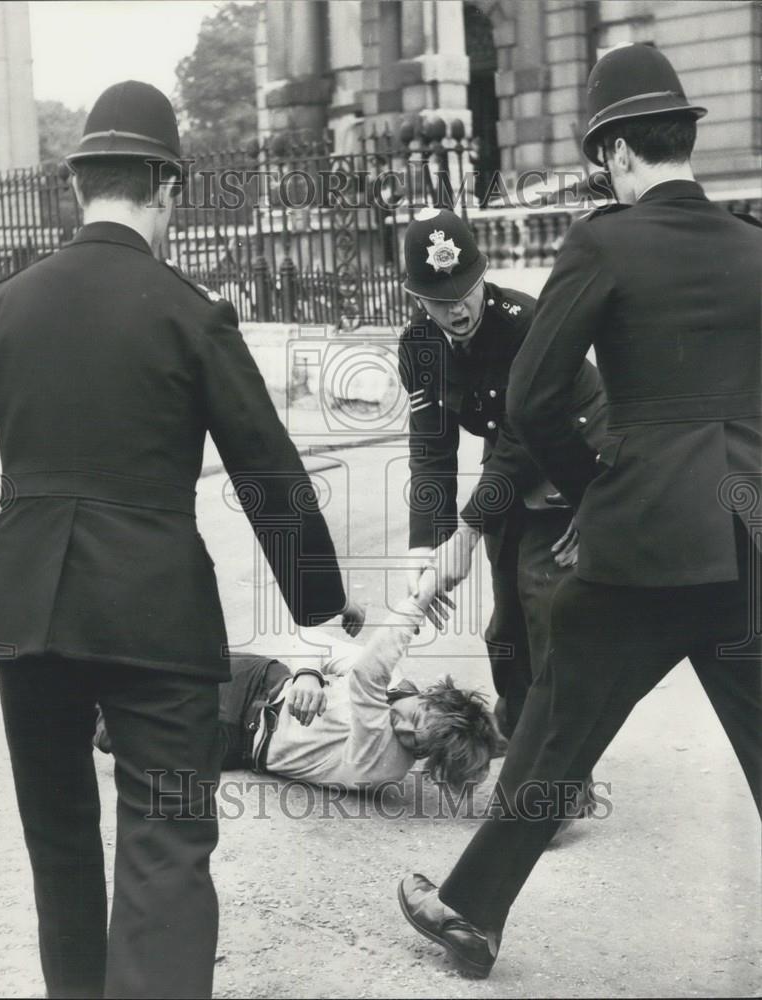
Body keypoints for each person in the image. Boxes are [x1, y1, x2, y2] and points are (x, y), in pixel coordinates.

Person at [0, 81, 355, 1000]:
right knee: (169, 840)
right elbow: (266, 462)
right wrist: (321, 601)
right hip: (155, 611)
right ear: (167, 188)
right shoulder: (191, 312)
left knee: (60, 842)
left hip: (29, 609)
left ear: (76, 188)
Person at [397, 43, 762, 980]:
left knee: (559, 718)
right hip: (746, 529)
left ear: (612, 153)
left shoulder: (602, 240)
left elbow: (531, 399)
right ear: (685, 136)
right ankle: (471, 907)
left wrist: (599, 484)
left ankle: (473, 914)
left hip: (640, 537)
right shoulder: (755, 246)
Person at [398, 207, 606, 742]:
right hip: (510, 452)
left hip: (572, 448)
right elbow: (432, 446)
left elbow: (529, 437)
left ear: (482, 276)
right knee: (507, 618)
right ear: (416, 298)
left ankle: (560, 771)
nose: (458, 308)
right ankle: (518, 734)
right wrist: (427, 547)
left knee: (545, 604)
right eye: (440, 300)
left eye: (466, 290)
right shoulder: (418, 345)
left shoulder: (522, 323)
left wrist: (467, 530)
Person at [96, 568, 502, 791]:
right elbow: (310, 637)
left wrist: (424, 594)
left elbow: (365, 675)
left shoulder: (384, 764)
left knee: (123, 735)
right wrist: (308, 673)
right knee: (156, 662)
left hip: (237, 738)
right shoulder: (396, 683)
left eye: (417, 741)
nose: (403, 726)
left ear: (426, 758)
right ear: (432, 696)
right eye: (418, 715)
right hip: (261, 680)